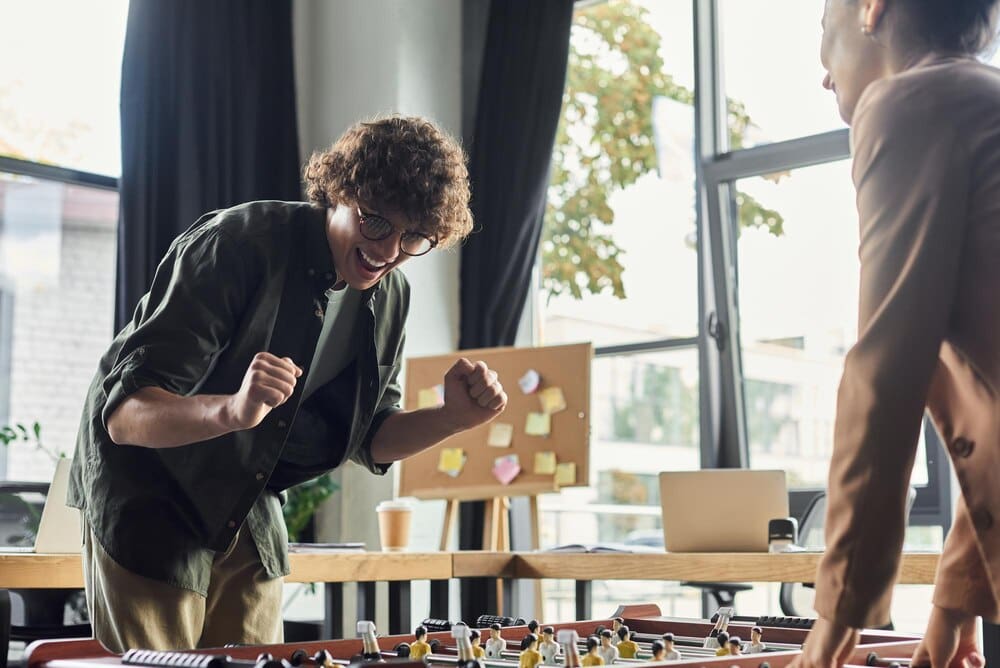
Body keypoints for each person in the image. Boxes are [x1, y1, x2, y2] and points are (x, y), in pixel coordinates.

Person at [67, 115, 508, 652]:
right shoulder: (236, 244)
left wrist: (453, 418)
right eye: (375, 222)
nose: (390, 250)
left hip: (247, 494)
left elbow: (370, 438)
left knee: (265, 660)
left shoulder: (392, 296)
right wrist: (232, 410)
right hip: (150, 488)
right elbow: (126, 416)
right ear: (338, 192)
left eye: (414, 236)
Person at [791, 2, 1000, 668]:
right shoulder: (983, 101)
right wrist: (953, 603)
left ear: (871, 8)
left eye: (823, 34)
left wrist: (831, 627)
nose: (825, 74)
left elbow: (884, 377)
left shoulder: (910, 103)